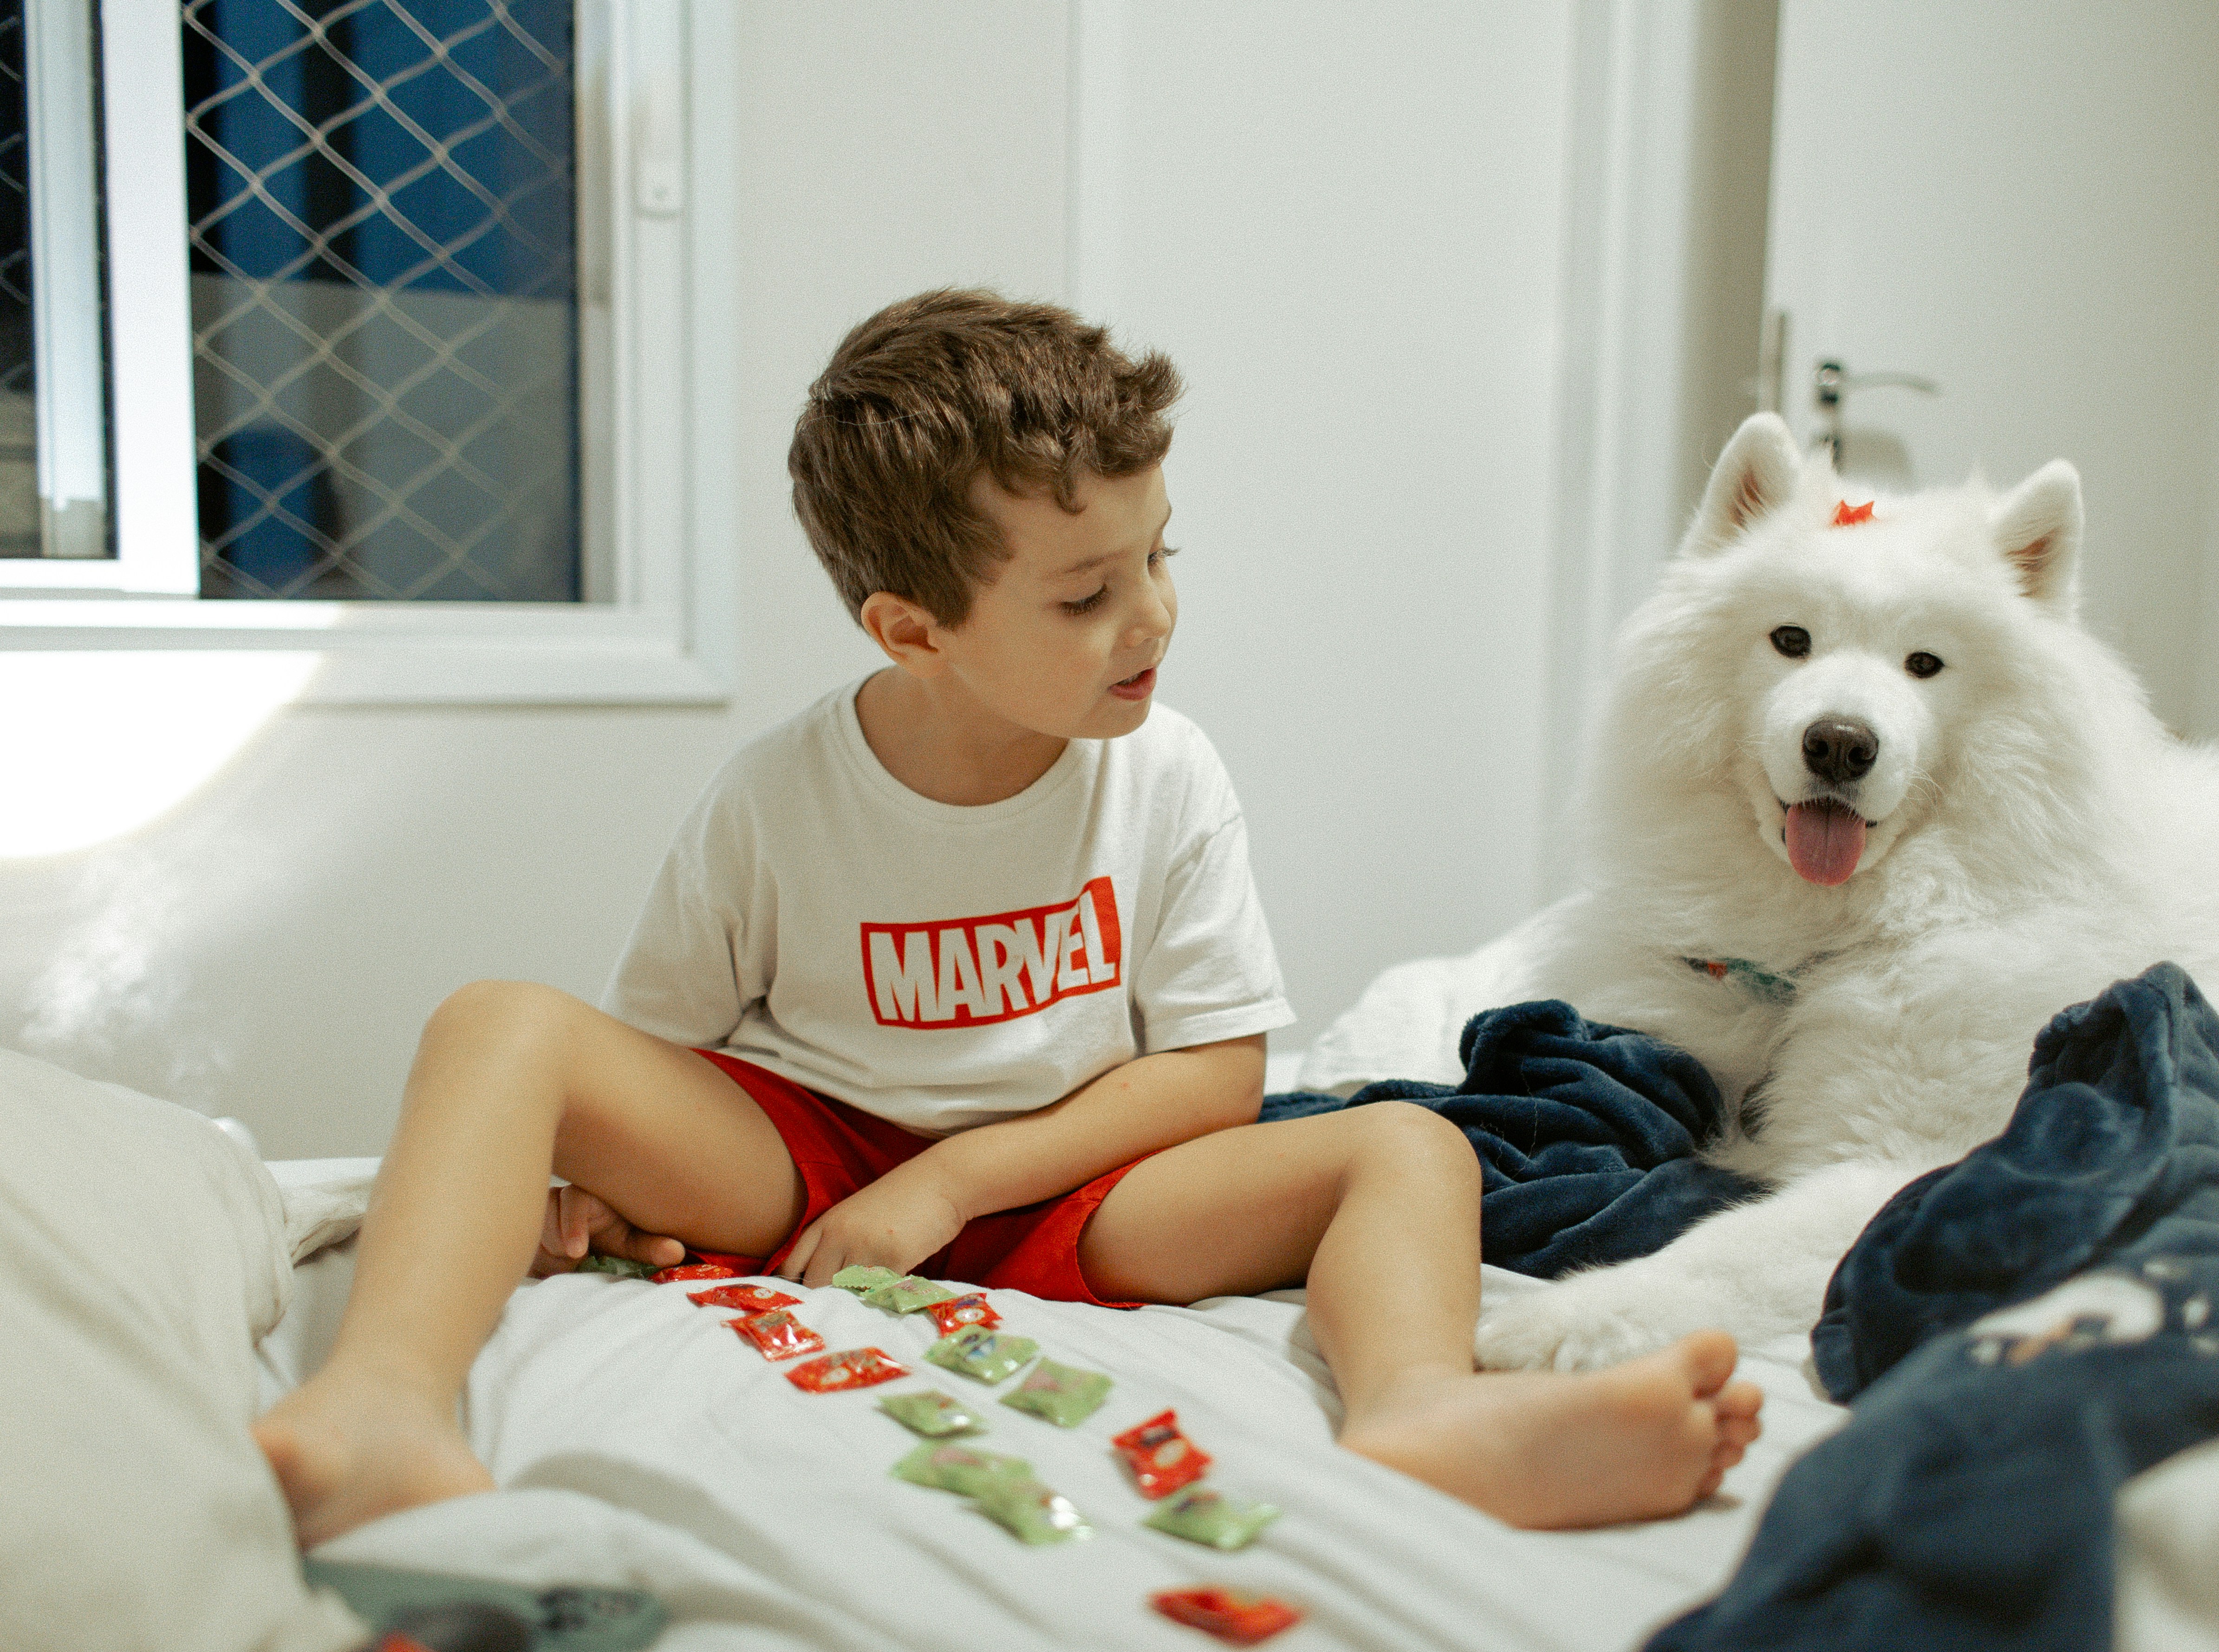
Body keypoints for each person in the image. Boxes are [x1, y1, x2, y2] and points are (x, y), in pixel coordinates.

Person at [253, 288, 1763, 1548]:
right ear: (914, 632)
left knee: (1409, 1142)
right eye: (1086, 593)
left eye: (1162, 553)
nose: (1154, 615)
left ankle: (1422, 1409)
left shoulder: (1166, 773)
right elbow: (661, 1055)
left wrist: (960, 1179)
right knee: (498, 1025)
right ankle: (379, 1402)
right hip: (810, 1168)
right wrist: (591, 1178)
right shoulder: (778, 797)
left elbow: (1215, 1080)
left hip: (1074, 1188)